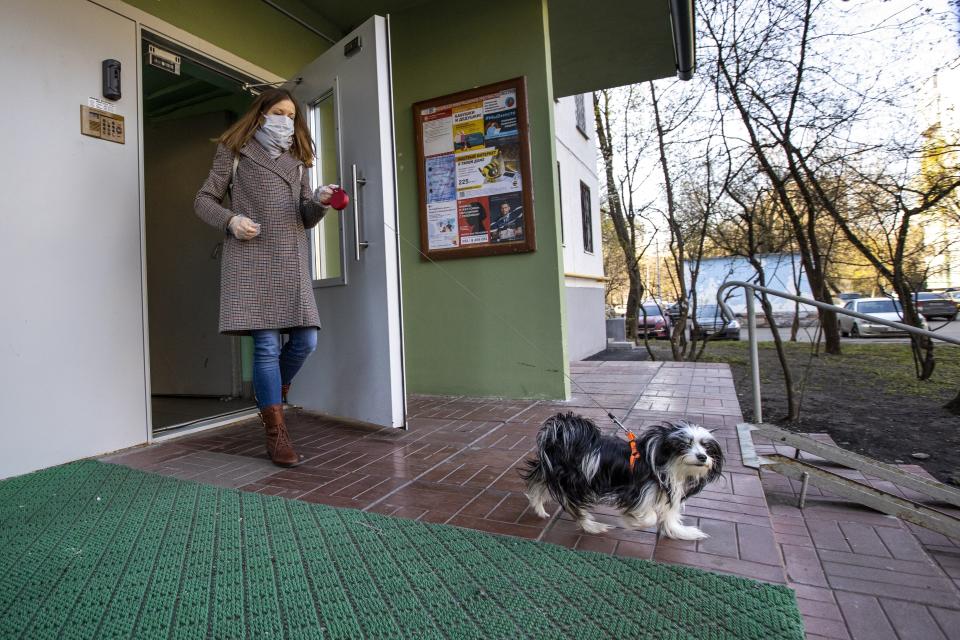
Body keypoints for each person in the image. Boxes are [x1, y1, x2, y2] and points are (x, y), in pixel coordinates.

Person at [194, 88, 336, 467]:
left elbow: (303, 216)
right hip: (252, 258)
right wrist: (230, 221)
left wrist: (319, 202)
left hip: (290, 260)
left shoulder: (298, 159)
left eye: (291, 115)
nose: (285, 121)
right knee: (267, 347)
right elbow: (203, 199)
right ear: (261, 113)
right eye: (278, 112)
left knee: (306, 341)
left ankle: (269, 393)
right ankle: (276, 431)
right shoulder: (234, 150)